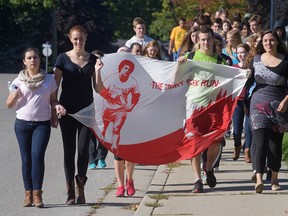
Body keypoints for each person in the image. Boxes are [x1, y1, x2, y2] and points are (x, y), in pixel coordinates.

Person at [6, 47, 66, 208]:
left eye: (35, 57)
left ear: (39, 60)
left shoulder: (49, 79)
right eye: (30, 58)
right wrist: (14, 95)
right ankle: (28, 194)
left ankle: (37, 194)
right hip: (22, 124)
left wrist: (57, 108)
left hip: (42, 124)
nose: (33, 60)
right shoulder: (18, 81)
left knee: (37, 157)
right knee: (26, 160)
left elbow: (53, 100)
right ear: (24, 62)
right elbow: (9, 105)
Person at [54, 25, 104, 205]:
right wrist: (56, 106)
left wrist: (98, 70)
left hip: (86, 111)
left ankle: (80, 187)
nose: (78, 41)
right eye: (75, 38)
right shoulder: (62, 59)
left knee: (83, 152)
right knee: (69, 151)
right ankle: (69, 192)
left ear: (86, 38)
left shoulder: (93, 59)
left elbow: (98, 88)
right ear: (70, 38)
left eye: (81, 38)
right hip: (67, 112)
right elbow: (54, 87)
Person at [178, 26, 228, 193]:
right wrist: (179, 66)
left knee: (216, 142)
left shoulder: (221, 61)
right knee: (194, 143)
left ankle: (208, 167)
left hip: (213, 107)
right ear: (197, 41)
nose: (206, 42)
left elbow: (231, 82)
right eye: (203, 40)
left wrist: (243, 74)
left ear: (213, 40)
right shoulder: (190, 57)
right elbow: (176, 77)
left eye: (208, 39)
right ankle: (197, 180)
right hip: (193, 106)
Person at [247, 29, 288, 193]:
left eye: (271, 40)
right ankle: (259, 178)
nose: (268, 43)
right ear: (261, 44)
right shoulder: (256, 60)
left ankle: (274, 180)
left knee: (275, 145)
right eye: (265, 41)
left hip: (279, 106)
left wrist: (286, 101)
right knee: (260, 141)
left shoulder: (286, 61)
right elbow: (246, 80)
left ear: (277, 41)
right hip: (258, 104)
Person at [100, 58, 140, 197]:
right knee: (107, 131)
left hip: (122, 111)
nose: (127, 71)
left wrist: (131, 105)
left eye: (129, 70)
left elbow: (136, 95)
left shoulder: (132, 82)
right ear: (120, 69)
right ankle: (120, 185)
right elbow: (101, 90)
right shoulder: (112, 79)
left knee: (122, 143)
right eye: (125, 68)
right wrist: (111, 95)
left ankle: (129, 182)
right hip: (108, 109)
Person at [88, 50, 108, 170]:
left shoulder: (107, 74)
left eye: (100, 59)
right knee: (91, 135)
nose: (97, 61)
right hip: (90, 107)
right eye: (94, 59)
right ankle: (91, 159)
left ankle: (101, 158)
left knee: (102, 134)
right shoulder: (86, 73)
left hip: (103, 108)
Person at [231, 43, 251, 162]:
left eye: (242, 52)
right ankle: (237, 146)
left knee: (249, 129)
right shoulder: (234, 67)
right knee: (237, 130)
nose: (240, 55)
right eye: (238, 53)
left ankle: (247, 151)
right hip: (237, 102)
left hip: (249, 100)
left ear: (248, 53)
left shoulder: (252, 67)